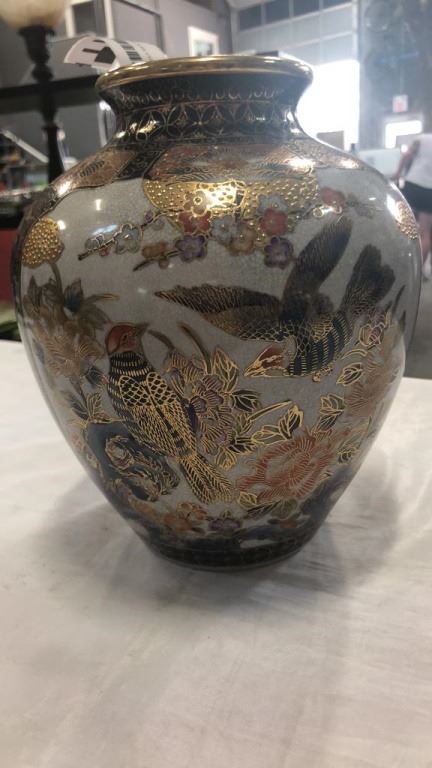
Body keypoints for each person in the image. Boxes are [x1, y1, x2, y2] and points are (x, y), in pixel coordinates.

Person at [393, 134, 432, 279]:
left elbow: (406, 156)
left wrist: (398, 173)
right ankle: (418, 273)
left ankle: (401, 267)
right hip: (429, 190)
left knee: (403, 226)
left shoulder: (422, 139)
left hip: (413, 184)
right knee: (425, 233)